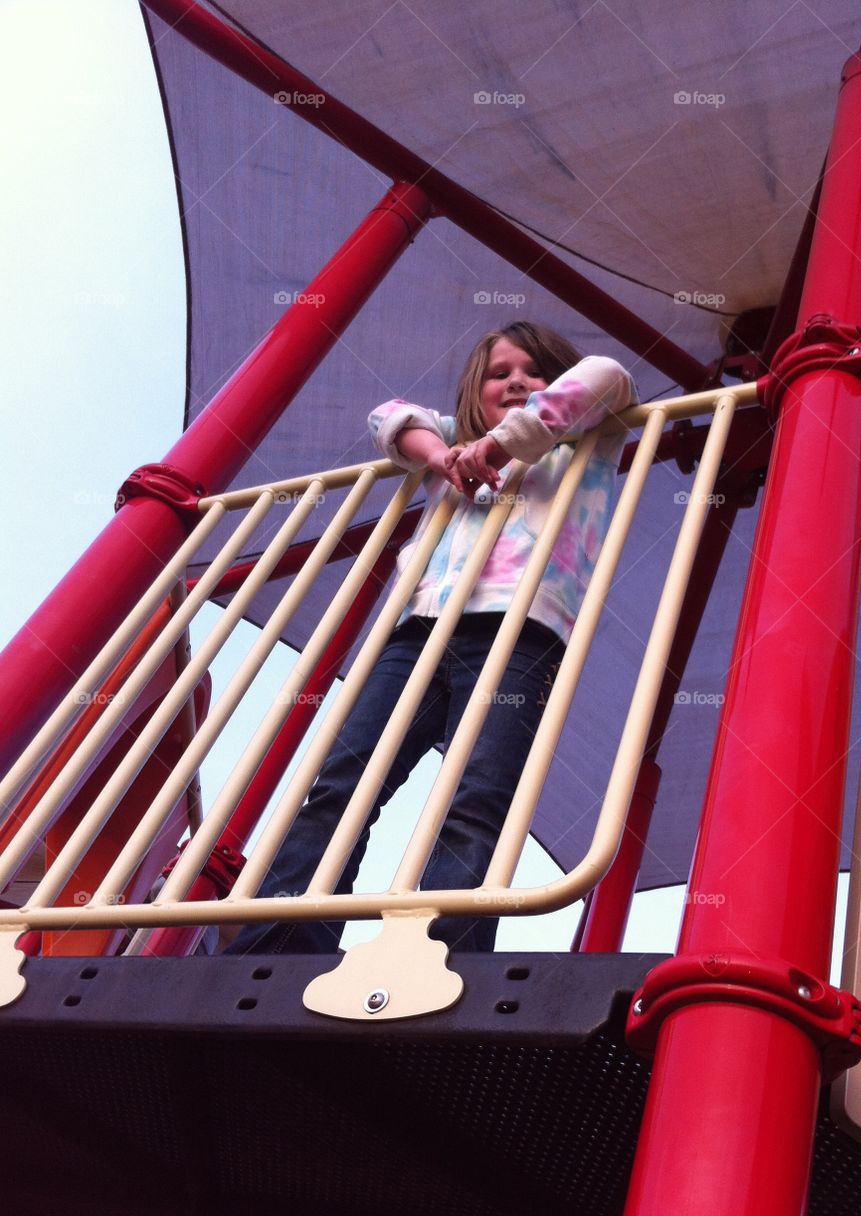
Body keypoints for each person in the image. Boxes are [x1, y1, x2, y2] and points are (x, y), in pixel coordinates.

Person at [226, 320, 637, 955]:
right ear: (475, 391)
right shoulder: (454, 447)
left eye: (533, 372)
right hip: (416, 632)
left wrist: (505, 446)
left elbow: (608, 374)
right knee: (343, 779)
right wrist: (444, 455)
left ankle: (441, 951)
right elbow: (388, 414)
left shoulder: (583, 439)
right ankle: (280, 937)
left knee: (478, 795)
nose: (517, 382)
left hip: (521, 631)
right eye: (500, 374)